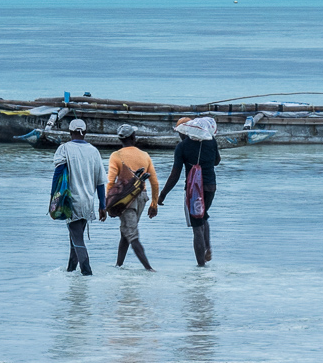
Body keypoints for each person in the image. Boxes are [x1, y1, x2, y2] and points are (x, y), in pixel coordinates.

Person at [159, 116, 221, 267]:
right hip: (211, 187)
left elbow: (175, 175)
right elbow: (217, 161)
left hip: (194, 191)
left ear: (185, 131)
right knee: (203, 217)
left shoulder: (182, 147)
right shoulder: (211, 140)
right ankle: (208, 248)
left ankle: (201, 268)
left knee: (197, 226)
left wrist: (162, 195)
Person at [54, 118, 107, 275]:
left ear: (70, 132)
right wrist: (102, 205)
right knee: (74, 239)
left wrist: (54, 200)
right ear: (85, 133)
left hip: (72, 201)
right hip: (88, 202)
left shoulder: (64, 149)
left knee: (77, 239)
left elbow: (58, 175)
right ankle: (71, 271)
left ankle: (87, 272)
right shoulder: (94, 151)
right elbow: (100, 182)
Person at [107, 124, 160, 270]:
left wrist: (107, 203)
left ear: (120, 139)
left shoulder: (116, 156)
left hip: (125, 200)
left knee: (132, 234)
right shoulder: (145, 155)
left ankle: (149, 269)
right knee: (126, 231)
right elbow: (154, 182)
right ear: (133, 137)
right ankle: (118, 266)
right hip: (142, 197)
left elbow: (111, 182)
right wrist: (154, 203)